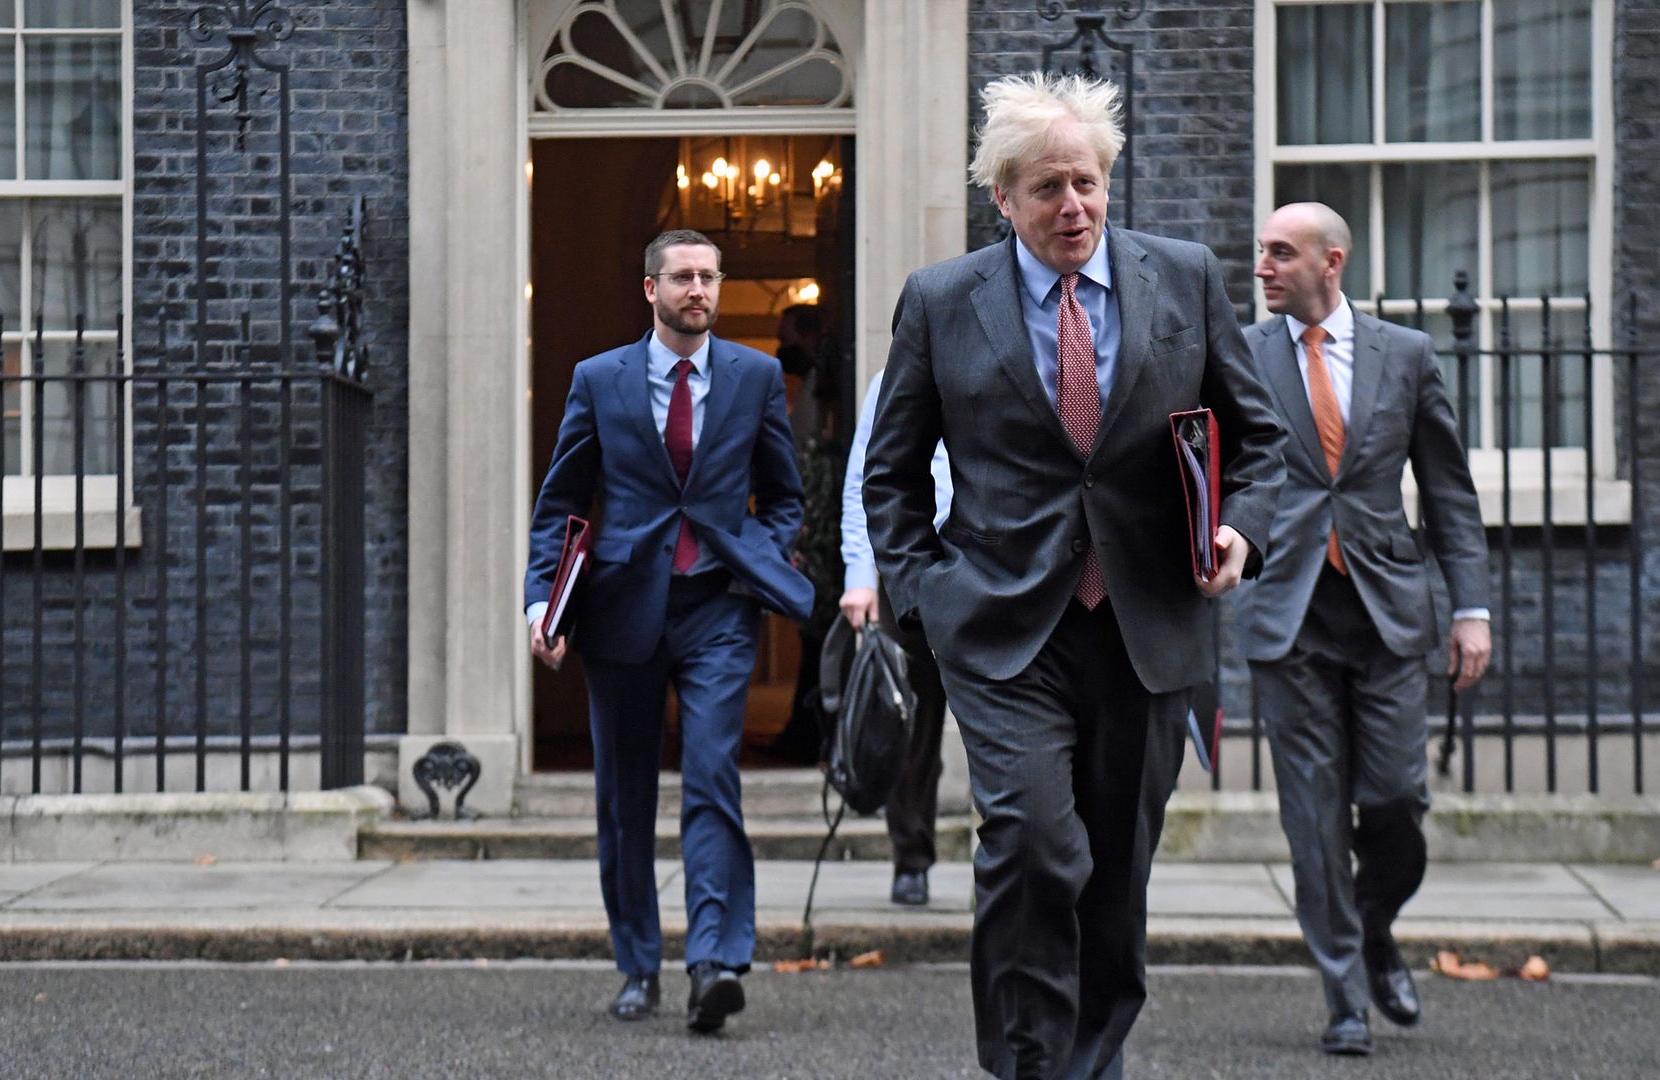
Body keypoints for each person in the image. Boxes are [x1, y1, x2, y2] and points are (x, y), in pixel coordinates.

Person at [863, 73, 1288, 1079]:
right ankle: (1027, 1062)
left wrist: (1240, 534)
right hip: (1007, 630)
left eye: (1089, 183)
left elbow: (1261, 443)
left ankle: (1090, 1059)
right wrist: (926, 596)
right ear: (1002, 197)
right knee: (1032, 847)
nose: (1074, 207)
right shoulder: (939, 301)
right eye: (1049, 187)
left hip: (1148, 627)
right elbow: (888, 474)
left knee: (1113, 875)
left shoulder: (1181, 278)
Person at [523, 229, 812, 1033]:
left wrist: (761, 552)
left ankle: (715, 961)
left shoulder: (755, 377)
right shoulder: (599, 379)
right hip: (622, 610)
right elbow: (563, 503)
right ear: (651, 288)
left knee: (714, 777)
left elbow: (783, 492)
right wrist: (543, 604)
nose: (699, 289)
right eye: (683, 276)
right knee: (623, 798)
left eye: (709, 276)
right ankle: (637, 963)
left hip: (719, 606)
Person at [1239, 202, 1493, 1056]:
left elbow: (1451, 493)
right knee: (1312, 822)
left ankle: (1375, 925)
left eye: (1282, 253)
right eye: (1262, 252)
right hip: (1289, 618)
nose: (1265, 266)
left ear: (1331, 262)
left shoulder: (1407, 355)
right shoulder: (1242, 355)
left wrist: (1471, 609)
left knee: (1396, 805)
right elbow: (1217, 468)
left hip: (1387, 614)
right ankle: (1345, 994)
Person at [839, 366, 953, 906]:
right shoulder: (892, 377)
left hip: (1001, 567)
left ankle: (1019, 860)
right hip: (911, 572)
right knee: (911, 722)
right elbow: (866, 474)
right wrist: (860, 578)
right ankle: (911, 856)